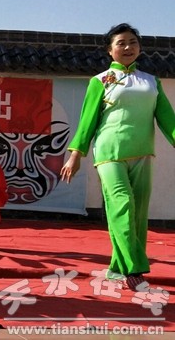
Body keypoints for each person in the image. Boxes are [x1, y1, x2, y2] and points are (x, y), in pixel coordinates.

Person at [60, 23, 175, 291]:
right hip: (109, 152)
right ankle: (134, 269)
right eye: (121, 43)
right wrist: (75, 155)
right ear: (110, 50)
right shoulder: (100, 81)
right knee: (122, 205)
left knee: (138, 214)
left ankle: (115, 268)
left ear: (140, 48)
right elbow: (87, 121)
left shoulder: (151, 81)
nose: (127, 47)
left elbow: (168, 119)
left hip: (142, 152)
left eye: (133, 42)